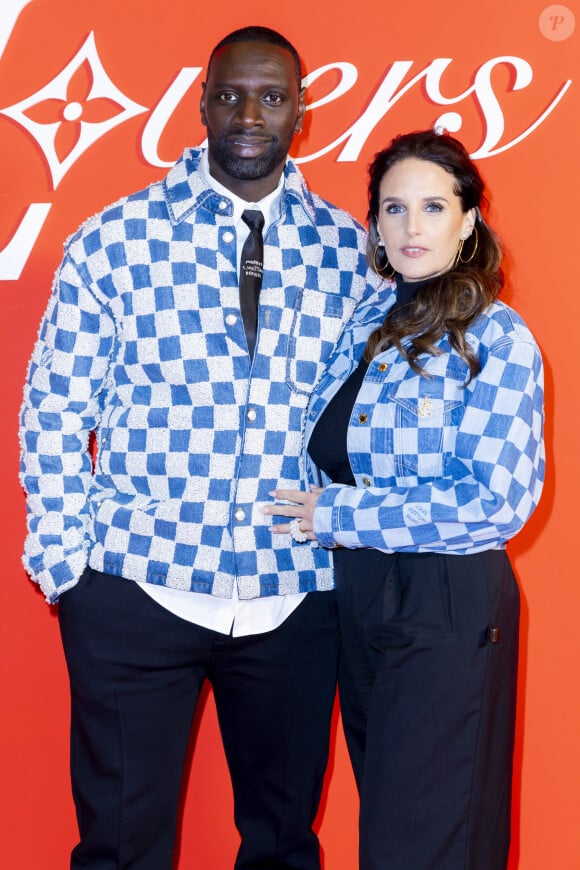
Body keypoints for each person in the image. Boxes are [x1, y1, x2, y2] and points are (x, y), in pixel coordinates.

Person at [19, 26, 382, 870]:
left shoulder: (349, 251)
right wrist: (68, 566)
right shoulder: (114, 240)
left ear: (304, 112)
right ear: (202, 105)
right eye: (229, 94)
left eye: (272, 95)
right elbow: (52, 412)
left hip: (296, 592)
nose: (249, 114)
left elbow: (370, 417)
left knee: (285, 846)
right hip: (136, 584)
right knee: (118, 848)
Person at [264, 130, 545, 870]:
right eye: (395, 208)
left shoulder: (495, 336)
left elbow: (495, 501)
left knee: (420, 844)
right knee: (396, 834)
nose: (413, 226)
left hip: (445, 601)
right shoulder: (366, 325)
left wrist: (339, 516)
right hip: (358, 597)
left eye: (432, 206)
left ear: (468, 221)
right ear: (376, 227)